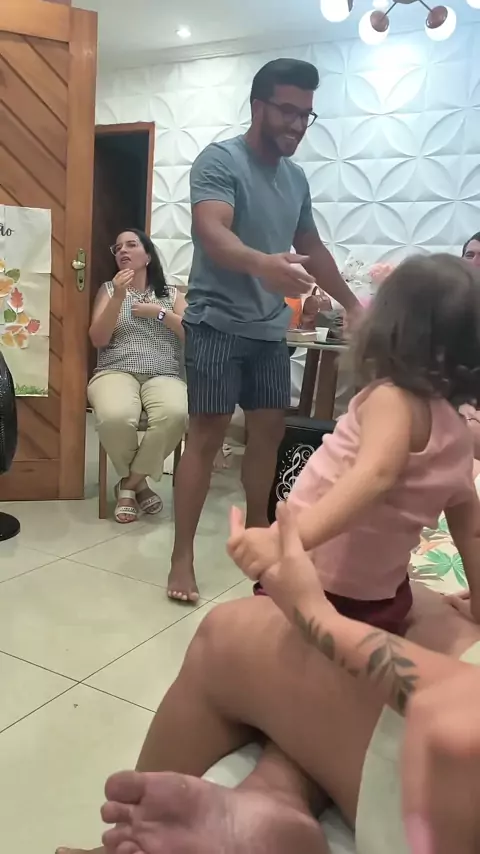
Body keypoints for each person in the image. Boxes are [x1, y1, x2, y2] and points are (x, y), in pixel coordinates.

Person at [57, 506, 480, 854]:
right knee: (411, 604)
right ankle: (276, 795)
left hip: (449, 804)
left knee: (224, 636)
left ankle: (121, 848)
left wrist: (317, 616)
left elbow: (451, 711)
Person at [168, 58, 361, 602]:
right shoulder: (220, 160)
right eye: (288, 111)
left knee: (269, 433)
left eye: (306, 115)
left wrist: (353, 304)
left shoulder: (295, 178)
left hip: (269, 330)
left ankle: (259, 534)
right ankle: (182, 557)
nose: (298, 125)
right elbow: (212, 232)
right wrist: (264, 266)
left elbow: (312, 246)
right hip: (215, 324)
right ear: (258, 106)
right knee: (205, 438)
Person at [229, 254, 480, 633]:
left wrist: (283, 540)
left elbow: (376, 475)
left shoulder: (391, 400)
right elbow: (471, 528)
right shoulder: (459, 437)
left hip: (314, 583)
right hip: (384, 600)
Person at [88, 229, 187, 523]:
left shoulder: (172, 294)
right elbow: (98, 339)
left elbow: (193, 335)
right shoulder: (109, 290)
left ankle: (128, 485)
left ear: (148, 255)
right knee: (115, 417)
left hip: (164, 373)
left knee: (175, 414)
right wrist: (119, 296)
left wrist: (160, 313)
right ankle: (140, 485)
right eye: (118, 247)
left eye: (131, 245)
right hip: (115, 370)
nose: (123, 251)